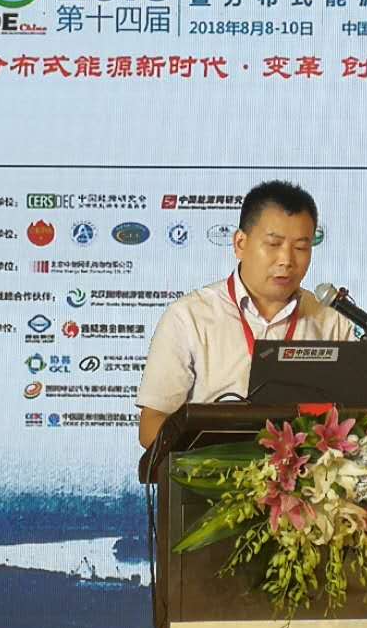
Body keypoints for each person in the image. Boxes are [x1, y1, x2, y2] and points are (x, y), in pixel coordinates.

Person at [137, 180, 355, 448]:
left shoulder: (332, 322)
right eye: (273, 244)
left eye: (300, 247)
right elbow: (151, 425)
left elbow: (354, 423)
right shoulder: (189, 317)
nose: (286, 260)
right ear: (240, 243)